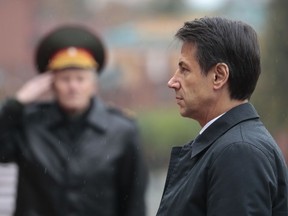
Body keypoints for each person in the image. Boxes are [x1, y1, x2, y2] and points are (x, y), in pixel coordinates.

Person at [0, 25, 147, 216]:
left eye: (80, 79)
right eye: (65, 79)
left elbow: (133, 201)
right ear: (52, 85)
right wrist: (17, 103)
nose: (73, 87)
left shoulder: (121, 131)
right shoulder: (30, 124)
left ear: (93, 84)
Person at [156, 17, 288, 216]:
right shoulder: (229, 145)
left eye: (184, 69)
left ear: (218, 76)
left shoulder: (239, 152)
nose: (172, 81)